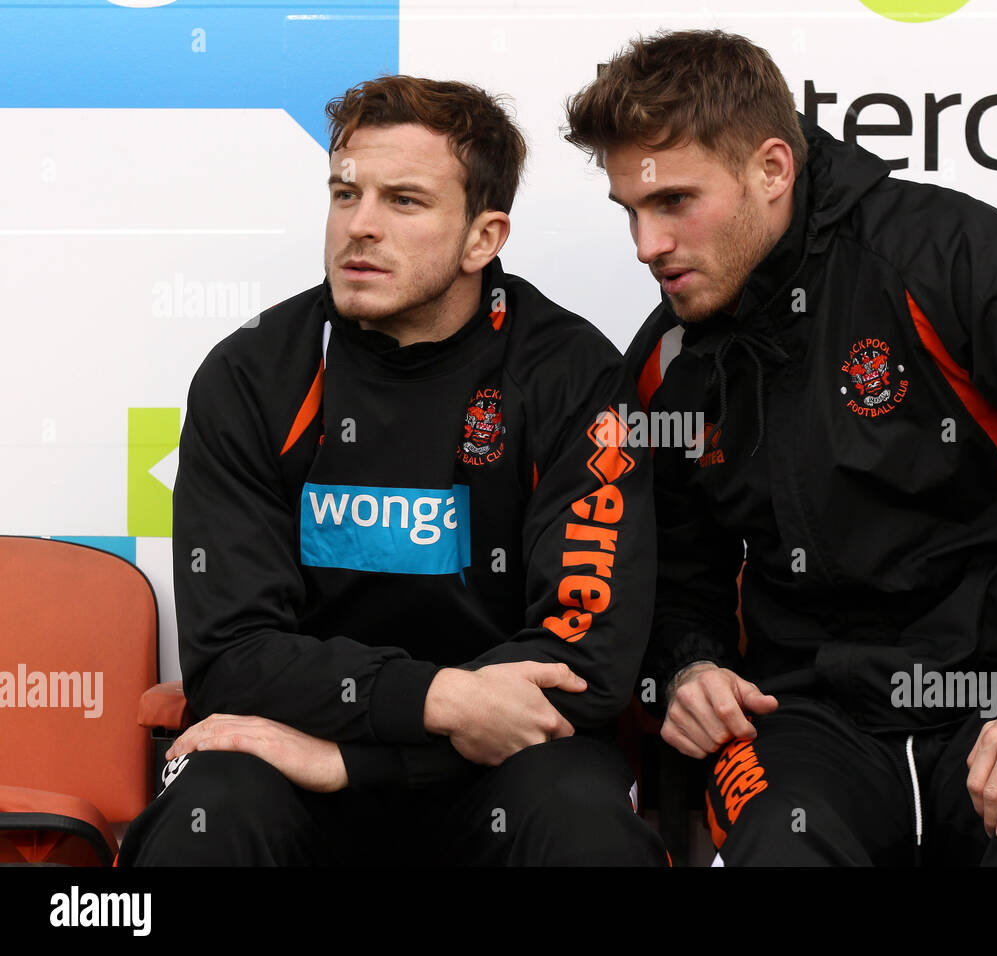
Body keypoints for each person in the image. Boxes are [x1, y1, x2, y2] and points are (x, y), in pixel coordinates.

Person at [564, 30, 997, 865]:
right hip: (807, 719)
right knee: (780, 847)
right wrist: (691, 665)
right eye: (630, 210)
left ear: (772, 169)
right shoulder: (671, 359)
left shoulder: (949, 255)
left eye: (674, 203)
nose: (645, 245)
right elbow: (671, 566)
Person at [118, 75, 665, 866]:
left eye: (404, 201)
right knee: (212, 812)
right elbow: (232, 655)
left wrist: (363, 765)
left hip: (500, 764)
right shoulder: (253, 374)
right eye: (346, 194)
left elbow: (585, 662)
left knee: (583, 825)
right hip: (292, 755)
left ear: (484, 237)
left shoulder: (571, 375)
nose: (359, 228)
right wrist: (436, 698)